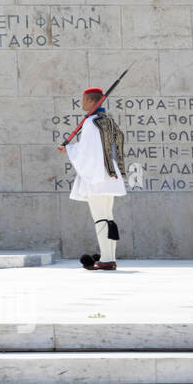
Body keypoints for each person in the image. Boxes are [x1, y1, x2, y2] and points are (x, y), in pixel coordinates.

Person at [58, 86, 127, 271]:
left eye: (83, 100)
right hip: (110, 175)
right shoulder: (107, 121)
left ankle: (105, 259)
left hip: (96, 177)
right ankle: (110, 257)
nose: (81, 103)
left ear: (90, 101)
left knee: (100, 219)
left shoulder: (90, 123)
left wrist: (69, 149)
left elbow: (87, 152)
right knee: (108, 217)